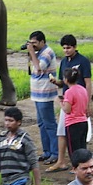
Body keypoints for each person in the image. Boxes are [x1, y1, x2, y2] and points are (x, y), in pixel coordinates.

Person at [49, 34, 92, 172]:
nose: (66, 50)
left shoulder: (83, 61)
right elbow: (63, 81)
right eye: (64, 48)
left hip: (77, 102)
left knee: (76, 136)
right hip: (68, 99)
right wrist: (56, 82)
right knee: (62, 131)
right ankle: (62, 161)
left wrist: (88, 104)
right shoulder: (64, 62)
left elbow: (88, 82)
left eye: (68, 48)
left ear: (75, 47)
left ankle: (79, 162)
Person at [25, 31, 58, 165]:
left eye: (35, 43)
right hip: (37, 94)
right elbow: (31, 70)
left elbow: (38, 68)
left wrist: (32, 53)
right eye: (31, 43)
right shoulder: (38, 54)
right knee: (41, 124)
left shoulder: (47, 52)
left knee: (49, 124)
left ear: (42, 42)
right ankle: (47, 152)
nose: (33, 46)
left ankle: (55, 153)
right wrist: (30, 55)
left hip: (45, 94)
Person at [61, 67, 89, 157]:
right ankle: (84, 164)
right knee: (82, 146)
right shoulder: (83, 89)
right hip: (84, 121)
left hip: (72, 123)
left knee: (73, 149)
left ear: (66, 80)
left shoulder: (69, 92)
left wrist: (61, 103)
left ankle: (76, 167)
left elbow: (67, 110)